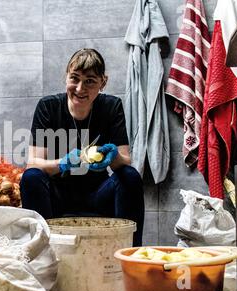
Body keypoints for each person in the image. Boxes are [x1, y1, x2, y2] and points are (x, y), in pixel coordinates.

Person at [20, 48, 145, 246]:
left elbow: (125, 159)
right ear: (66, 77)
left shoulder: (111, 107)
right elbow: (33, 163)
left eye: (90, 81)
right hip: (58, 195)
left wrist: (113, 157)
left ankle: (129, 254)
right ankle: (40, 253)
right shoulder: (48, 107)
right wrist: (63, 163)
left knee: (129, 175)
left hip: (98, 194)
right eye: (75, 78)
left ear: (103, 82)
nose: (80, 88)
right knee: (31, 177)